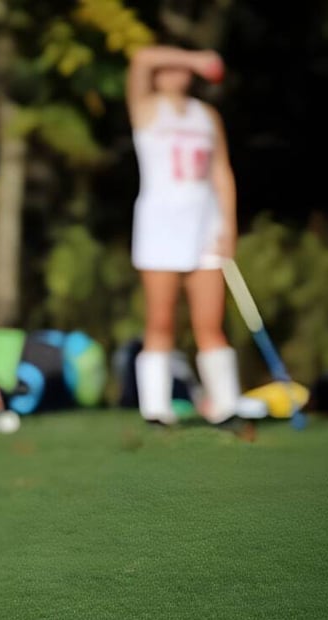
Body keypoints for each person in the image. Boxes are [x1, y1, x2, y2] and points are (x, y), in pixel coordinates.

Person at [126, 44, 243, 425]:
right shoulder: (146, 109)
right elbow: (141, 58)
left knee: (210, 323)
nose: (177, 74)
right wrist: (196, 58)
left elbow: (221, 173)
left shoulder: (206, 115)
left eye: (183, 69)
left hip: (205, 228)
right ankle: (155, 410)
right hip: (160, 229)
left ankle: (227, 406)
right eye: (170, 67)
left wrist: (229, 226)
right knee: (160, 322)